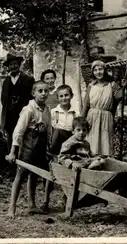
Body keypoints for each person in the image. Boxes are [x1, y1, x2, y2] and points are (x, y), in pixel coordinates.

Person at [6, 81, 51, 217]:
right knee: (20, 176)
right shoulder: (29, 109)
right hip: (28, 147)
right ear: (33, 93)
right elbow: (18, 131)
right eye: (40, 91)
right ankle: (11, 208)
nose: (43, 94)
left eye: (46, 91)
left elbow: (49, 130)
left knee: (34, 175)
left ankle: (31, 205)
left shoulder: (47, 110)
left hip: (40, 148)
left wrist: (48, 148)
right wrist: (13, 152)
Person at [81, 60, 127, 156]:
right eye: (95, 70)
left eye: (100, 69)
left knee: (105, 146)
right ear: (93, 72)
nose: (98, 72)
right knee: (91, 145)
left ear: (105, 70)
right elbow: (86, 106)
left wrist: (126, 87)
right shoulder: (91, 86)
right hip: (91, 119)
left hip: (106, 119)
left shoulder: (112, 86)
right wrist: (80, 123)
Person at [41, 84, 77, 213]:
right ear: (57, 98)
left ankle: (66, 200)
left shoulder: (75, 112)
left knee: (68, 174)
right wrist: (49, 146)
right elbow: (50, 130)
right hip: (56, 145)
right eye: (61, 96)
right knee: (51, 173)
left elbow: (76, 131)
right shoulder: (54, 112)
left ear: (71, 96)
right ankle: (45, 201)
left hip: (69, 145)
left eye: (66, 95)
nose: (64, 98)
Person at [1, 53, 34, 152]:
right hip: (10, 116)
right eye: (11, 65)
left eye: (15, 64)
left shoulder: (28, 79)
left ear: (19, 65)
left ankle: (22, 163)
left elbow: (32, 97)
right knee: (10, 139)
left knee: (23, 137)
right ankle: (12, 162)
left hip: (23, 114)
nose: (13, 66)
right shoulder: (6, 81)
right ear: (8, 67)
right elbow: (3, 99)